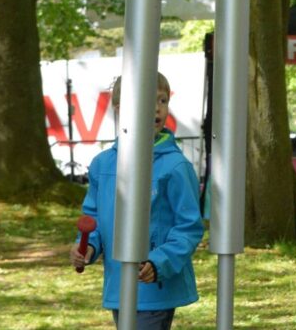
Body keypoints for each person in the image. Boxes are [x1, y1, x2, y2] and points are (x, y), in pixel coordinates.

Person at [70, 73, 203, 330]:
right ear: (121, 110)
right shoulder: (102, 165)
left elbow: (189, 228)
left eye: (162, 100)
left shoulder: (175, 166)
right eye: (147, 100)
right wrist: (87, 246)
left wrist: (159, 262)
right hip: (118, 286)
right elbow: (93, 219)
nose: (157, 108)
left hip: (154, 287)